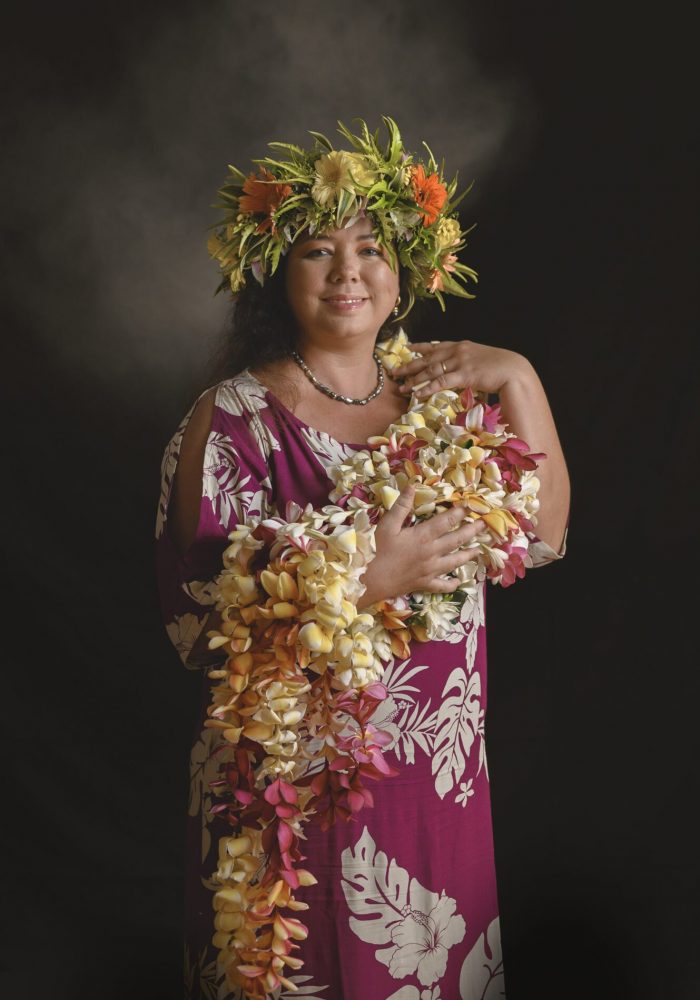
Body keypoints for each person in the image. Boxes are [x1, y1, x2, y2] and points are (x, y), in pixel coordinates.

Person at [156, 118, 569, 999]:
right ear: (277, 271)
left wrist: (520, 377)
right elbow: (196, 621)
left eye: (371, 247)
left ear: (406, 269)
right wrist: (361, 580)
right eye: (318, 250)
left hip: (437, 784)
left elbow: (541, 536)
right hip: (292, 789)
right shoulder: (232, 419)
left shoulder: (447, 397)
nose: (349, 271)